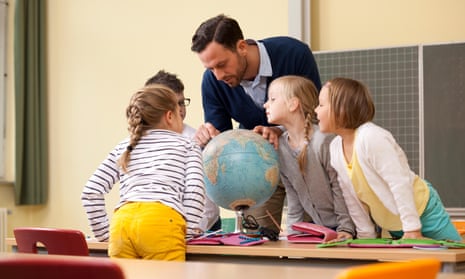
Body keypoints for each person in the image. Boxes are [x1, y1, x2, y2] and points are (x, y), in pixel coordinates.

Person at [191, 14, 322, 232]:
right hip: (255, 169)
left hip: (303, 162)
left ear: (241, 47)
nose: (218, 75)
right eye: (210, 68)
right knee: (254, 240)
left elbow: (314, 111)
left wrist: (280, 130)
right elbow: (223, 140)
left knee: (309, 238)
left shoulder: (293, 53)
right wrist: (209, 138)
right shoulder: (213, 82)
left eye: (222, 64)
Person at [315, 77, 461, 241]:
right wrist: (366, 235)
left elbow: (399, 182)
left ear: (341, 109)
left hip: (422, 211)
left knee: (455, 259)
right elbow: (352, 197)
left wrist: (412, 228)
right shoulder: (335, 147)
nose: (315, 110)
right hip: (394, 224)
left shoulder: (371, 137)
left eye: (321, 105)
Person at [81, 85, 205, 261]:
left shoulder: (124, 146)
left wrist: (104, 235)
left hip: (122, 223)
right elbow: (195, 190)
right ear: (170, 116)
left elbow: (91, 191)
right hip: (162, 223)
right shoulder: (188, 145)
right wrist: (188, 232)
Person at [264, 75, 355, 240]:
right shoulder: (280, 148)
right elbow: (293, 197)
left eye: (272, 99)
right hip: (323, 230)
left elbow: (341, 187)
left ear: (293, 104)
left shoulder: (323, 140)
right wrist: (293, 233)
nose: (265, 104)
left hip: (350, 228)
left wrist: (346, 229)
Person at [144, 70, 221, 232]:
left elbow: (202, 195)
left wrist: (195, 229)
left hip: (200, 226)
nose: (179, 110)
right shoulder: (141, 142)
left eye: (181, 102)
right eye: (173, 104)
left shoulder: (197, 140)